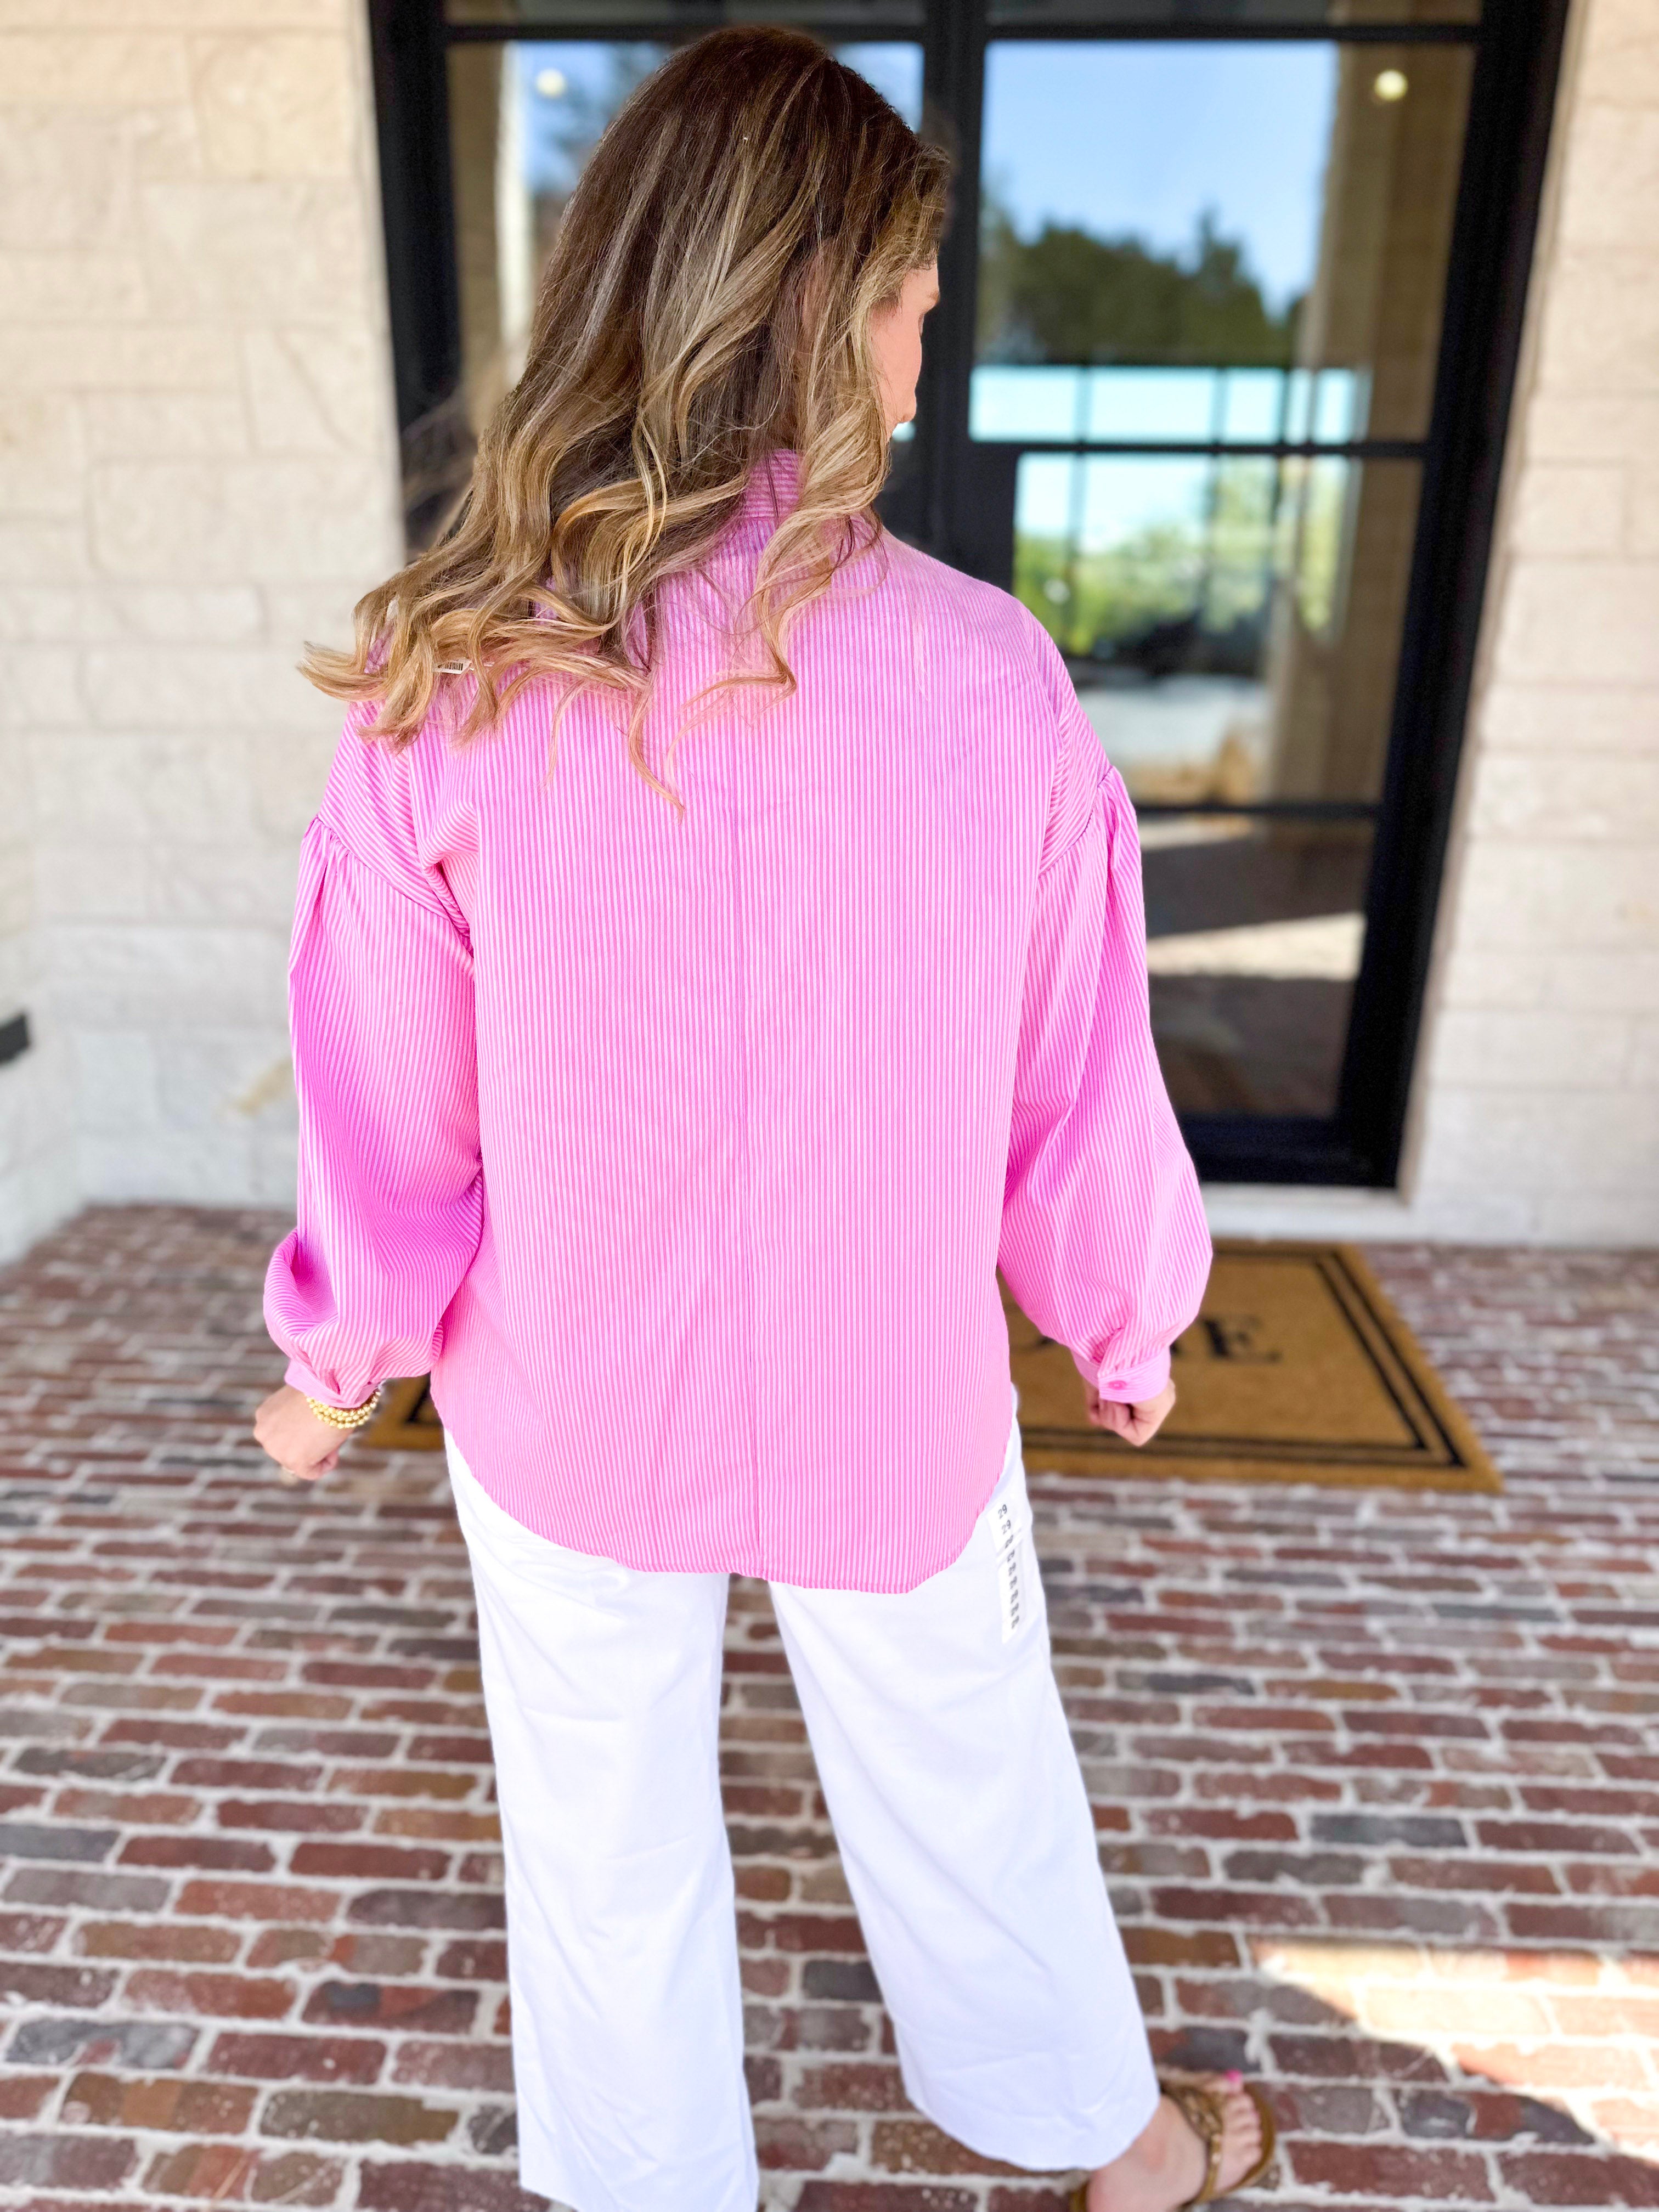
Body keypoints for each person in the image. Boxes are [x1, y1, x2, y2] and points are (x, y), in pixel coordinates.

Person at [252, 28, 1276, 2212]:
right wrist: (1123, 1323)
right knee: (973, 1783)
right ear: (810, 311)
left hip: (569, 1405)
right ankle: (1116, 2152)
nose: (926, 354)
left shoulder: (459, 680)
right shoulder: (991, 679)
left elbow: (393, 1114)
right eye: (906, 302)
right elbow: (1073, 1078)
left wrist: (339, 1369)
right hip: (885, 1399)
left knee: (599, 1848)